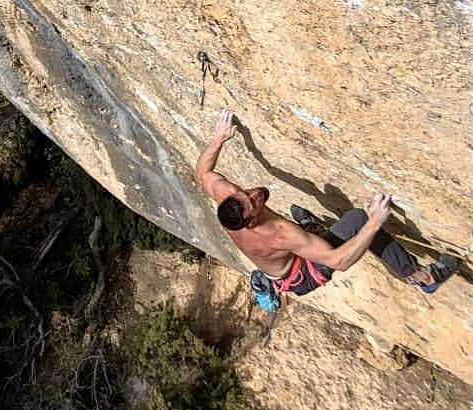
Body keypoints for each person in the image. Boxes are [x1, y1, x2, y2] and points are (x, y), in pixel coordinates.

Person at [195, 109, 458, 298]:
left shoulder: (228, 200)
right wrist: (374, 223)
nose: (256, 194)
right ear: (251, 221)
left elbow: (202, 175)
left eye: (247, 194)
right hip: (302, 274)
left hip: (287, 256)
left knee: (309, 232)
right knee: (358, 220)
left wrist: (218, 139)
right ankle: (423, 277)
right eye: (255, 202)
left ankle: (313, 228)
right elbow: (338, 261)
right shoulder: (280, 235)